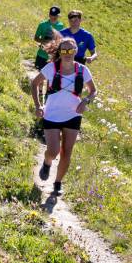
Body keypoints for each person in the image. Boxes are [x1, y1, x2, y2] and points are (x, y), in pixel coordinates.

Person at [31, 36, 97, 195]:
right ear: (60, 51)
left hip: (73, 115)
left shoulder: (82, 69)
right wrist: (38, 105)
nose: (68, 53)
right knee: (53, 151)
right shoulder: (51, 68)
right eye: (64, 50)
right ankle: (47, 163)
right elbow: (34, 83)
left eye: (71, 50)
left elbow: (93, 91)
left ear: (76, 51)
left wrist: (85, 101)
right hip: (51, 114)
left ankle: (58, 184)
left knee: (67, 152)